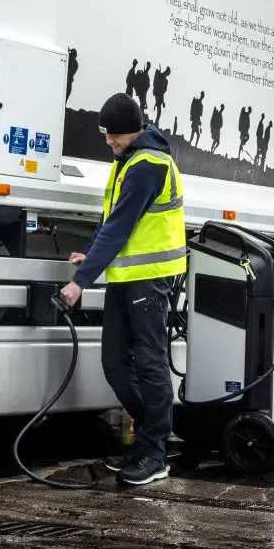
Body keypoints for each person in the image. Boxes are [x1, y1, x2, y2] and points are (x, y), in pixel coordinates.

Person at [59, 92, 188, 486]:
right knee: (115, 364)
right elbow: (110, 219)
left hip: (150, 278)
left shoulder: (149, 164)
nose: (108, 141)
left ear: (132, 130)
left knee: (149, 362)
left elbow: (121, 226)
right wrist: (91, 255)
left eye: (113, 134)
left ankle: (154, 453)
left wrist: (80, 282)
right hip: (124, 277)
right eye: (105, 134)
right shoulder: (127, 160)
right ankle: (152, 438)